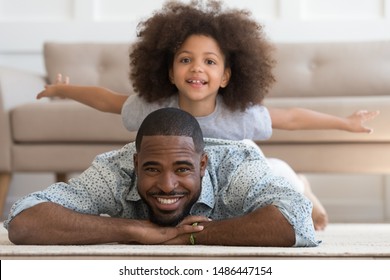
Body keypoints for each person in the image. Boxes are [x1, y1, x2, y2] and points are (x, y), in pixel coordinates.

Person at [36, 0, 379, 231]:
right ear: (169, 72)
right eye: (186, 59)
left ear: (226, 76)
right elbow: (108, 100)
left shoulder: (238, 114)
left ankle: (303, 187)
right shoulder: (155, 108)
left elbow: (292, 118)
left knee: (278, 176)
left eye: (209, 62)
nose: (196, 68)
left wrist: (344, 123)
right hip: (192, 185)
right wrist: (66, 91)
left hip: (236, 177)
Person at [4, 108, 319, 247]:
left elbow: (297, 221)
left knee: (287, 181)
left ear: (203, 165)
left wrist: (193, 235)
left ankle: (302, 181)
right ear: (137, 162)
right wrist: (136, 230)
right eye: (152, 169)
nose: (167, 185)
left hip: (261, 163)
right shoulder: (114, 170)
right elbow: (24, 221)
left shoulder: (238, 166)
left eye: (182, 169)